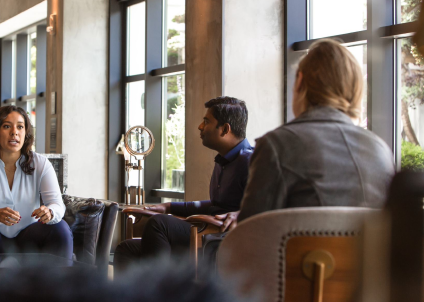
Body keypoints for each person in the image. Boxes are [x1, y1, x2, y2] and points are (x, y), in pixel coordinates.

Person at [238, 38, 395, 220]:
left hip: (300, 250)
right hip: (365, 250)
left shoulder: (276, 146)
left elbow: (251, 236)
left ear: (300, 82)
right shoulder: (380, 149)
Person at [114, 97, 253, 270]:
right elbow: (216, 206)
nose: (200, 127)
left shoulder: (251, 162)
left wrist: (240, 214)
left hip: (222, 241)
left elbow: (270, 207)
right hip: (207, 233)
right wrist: (169, 207)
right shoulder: (223, 162)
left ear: (225, 129)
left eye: (206, 121)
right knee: (126, 249)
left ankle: (161, 292)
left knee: (160, 224)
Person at [0, 105, 73, 258]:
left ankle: (63, 282)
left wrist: (50, 212)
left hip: (29, 239)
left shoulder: (41, 163)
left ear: (25, 133)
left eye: (20, 127)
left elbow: (57, 204)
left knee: (60, 228)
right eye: (7, 126)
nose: (14, 132)